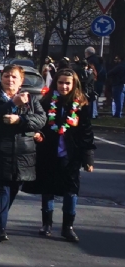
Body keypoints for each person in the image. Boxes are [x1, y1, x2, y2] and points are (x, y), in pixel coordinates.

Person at [0, 64, 45, 242]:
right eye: (6, 76)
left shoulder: (30, 99)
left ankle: (0, 218)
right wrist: (11, 104)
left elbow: (41, 119)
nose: (10, 80)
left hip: (22, 154)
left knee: (13, 188)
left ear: (21, 81)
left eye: (14, 77)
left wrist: (20, 120)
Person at [24, 69, 95, 241]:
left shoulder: (81, 103)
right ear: (56, 83)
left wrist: (88, 158)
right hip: (49, 151)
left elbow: (86, 132)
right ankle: (46, 223)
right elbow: (40, 123)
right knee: (48, 187)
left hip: (71, 154)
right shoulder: (47, 101)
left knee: (71, 189)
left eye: (68, 83)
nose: (64, 86)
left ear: (74, 84)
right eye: (61, 82)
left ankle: (67, 226)